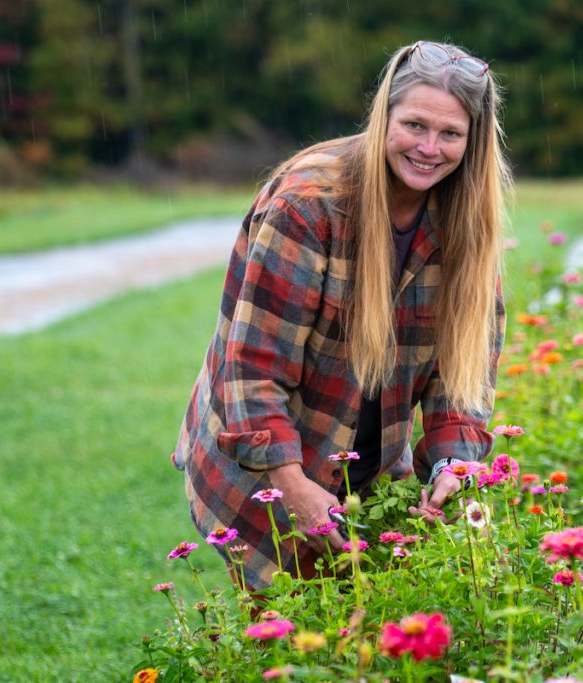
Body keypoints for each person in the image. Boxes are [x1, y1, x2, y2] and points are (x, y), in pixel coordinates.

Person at [171, 40, 510, 589]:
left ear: (472, 143)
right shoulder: (309, 204)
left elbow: (462, 381)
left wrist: (454, 466)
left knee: (372, 638)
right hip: (269, 456)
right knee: (290, 639)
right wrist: (292, 484)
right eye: (415, 125)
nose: (429, 148)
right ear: (384, 117)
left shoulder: (467, 219)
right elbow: (254, 368)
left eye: (450, 134)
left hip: (368, 461)